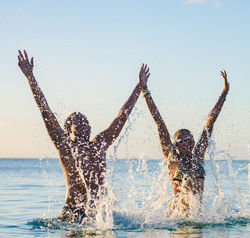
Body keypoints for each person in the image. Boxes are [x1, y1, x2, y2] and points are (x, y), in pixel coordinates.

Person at [18, 50, 150, 223]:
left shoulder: (99, 144)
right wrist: (30, 78)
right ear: (67, 129)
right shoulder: (65, 145)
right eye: (78, 122)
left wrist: (139, 86)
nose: (84, 125)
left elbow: (122, 116)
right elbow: (45, 111)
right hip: (73, 214)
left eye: (86, 122)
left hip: (99, 215)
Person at [142, 69, 229, 217]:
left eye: (191, 139)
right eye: (184, 140)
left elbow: (210, 122)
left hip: (197, 216)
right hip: (177, 217)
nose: (189, 142)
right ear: (176, 144)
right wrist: (145, 91)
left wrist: (224, 93)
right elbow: (159, 123)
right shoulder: (172, 158)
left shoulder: (198, 156)